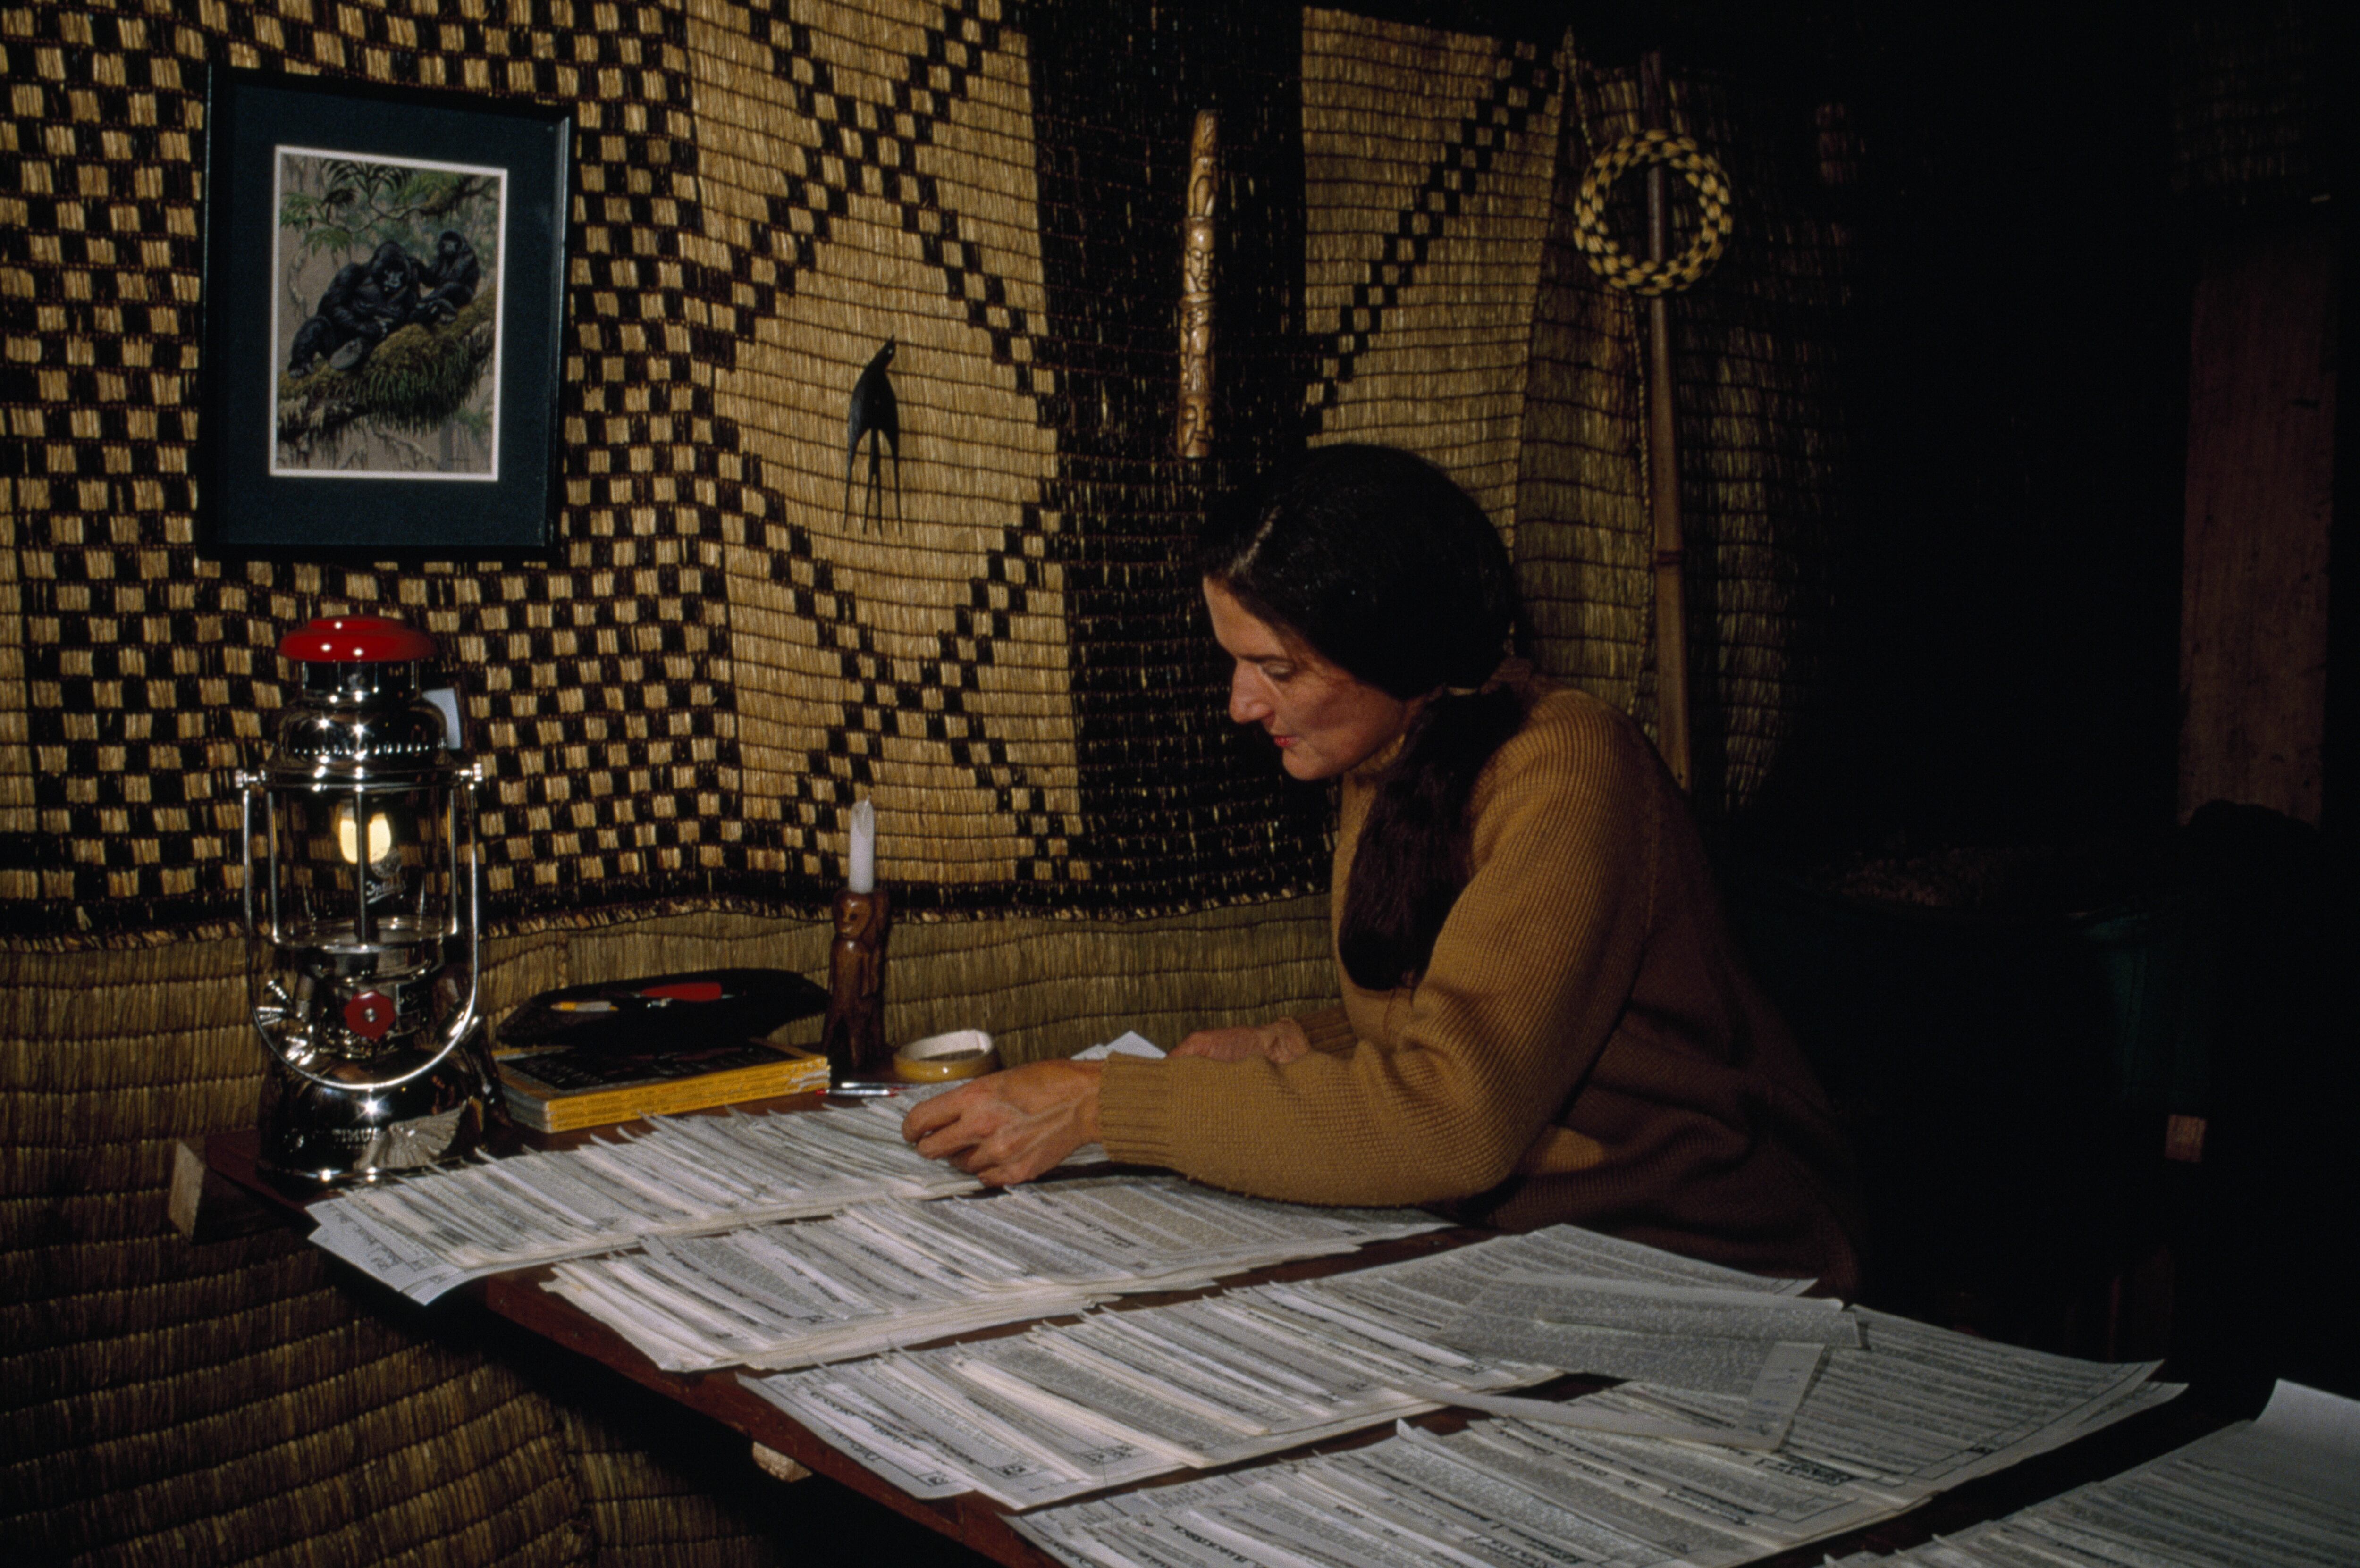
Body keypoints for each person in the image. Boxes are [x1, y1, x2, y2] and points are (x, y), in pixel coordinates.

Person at [904, 444, 1863, 1294]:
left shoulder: (1567, 768)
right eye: (1236, 663)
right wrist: (1297, 1043)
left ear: (1397, 648)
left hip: (1695, 1261)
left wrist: (1102, 1101)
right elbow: (1494, 1010)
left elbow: (1454, 1121)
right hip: (1518, 1242)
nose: (1242, 704)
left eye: (1277, 669)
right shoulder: (1390, 753)